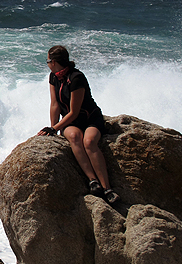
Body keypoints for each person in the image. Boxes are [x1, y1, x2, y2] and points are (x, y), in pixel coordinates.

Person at [36, 45, 120, 204]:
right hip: (71, 123)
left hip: (89, 119)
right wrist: (53, 129)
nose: (47, 64)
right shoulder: (53, 77)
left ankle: (107, 188)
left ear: (53, 62)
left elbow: (74, 111)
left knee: (89, 142)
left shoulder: (76, 78)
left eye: (47, 61)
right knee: (74, 136)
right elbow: (54, 104)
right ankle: (92, 180)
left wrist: (55, 128)